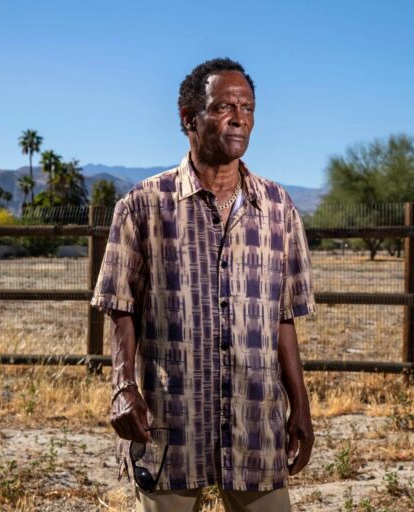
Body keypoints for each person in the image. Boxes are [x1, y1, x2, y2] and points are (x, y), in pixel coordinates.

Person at [91, 57, 315, 512]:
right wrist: (122, 387)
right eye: (223, 108)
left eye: (248, 107)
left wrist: (302, 407)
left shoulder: (278, 207)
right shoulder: (143, 205)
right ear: (188, 119)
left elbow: (284, 317)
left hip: (255, 425)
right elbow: (120, 306)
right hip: (171, 425)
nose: (239, 118)